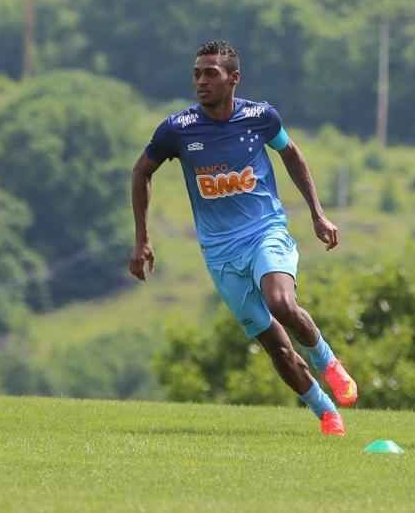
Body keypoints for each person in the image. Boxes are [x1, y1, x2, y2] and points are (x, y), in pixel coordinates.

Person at [128, 40, 357, 436]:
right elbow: (141, 172)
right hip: (219, 252)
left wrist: (318, 214)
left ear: (233, 78)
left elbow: (292, 154)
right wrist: (142, 239)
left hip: (264, 231)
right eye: (197, 73)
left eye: (211, 73)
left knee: (281, 302)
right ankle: (324, 411)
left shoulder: (260, 117)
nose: (201, 81)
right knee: (277, 347)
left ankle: (328, 361)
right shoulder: (177, 129)